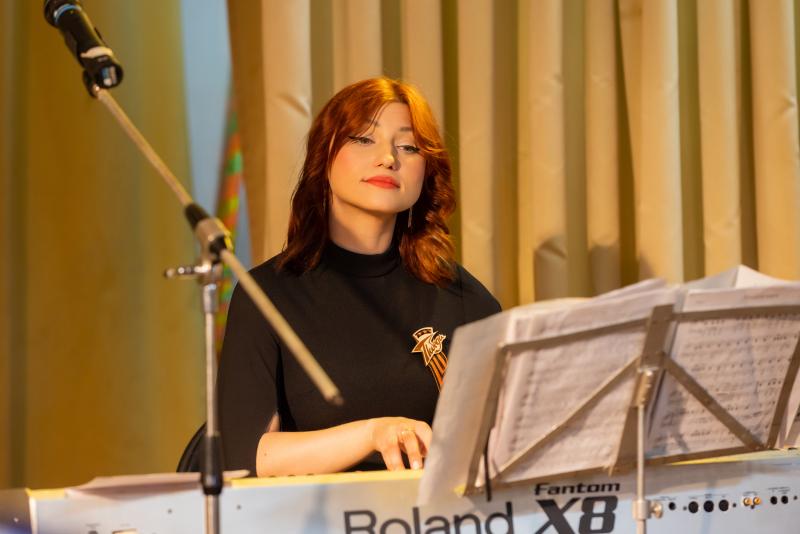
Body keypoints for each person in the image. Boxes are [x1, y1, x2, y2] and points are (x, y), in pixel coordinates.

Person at [217, 77, 500, 477]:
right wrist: (372, 434)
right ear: (324, 157)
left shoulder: (463, 297)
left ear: (426, 172)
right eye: (365, 139)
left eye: (408, 147)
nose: (388, 158)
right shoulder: (266, 295)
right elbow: (248, 457)